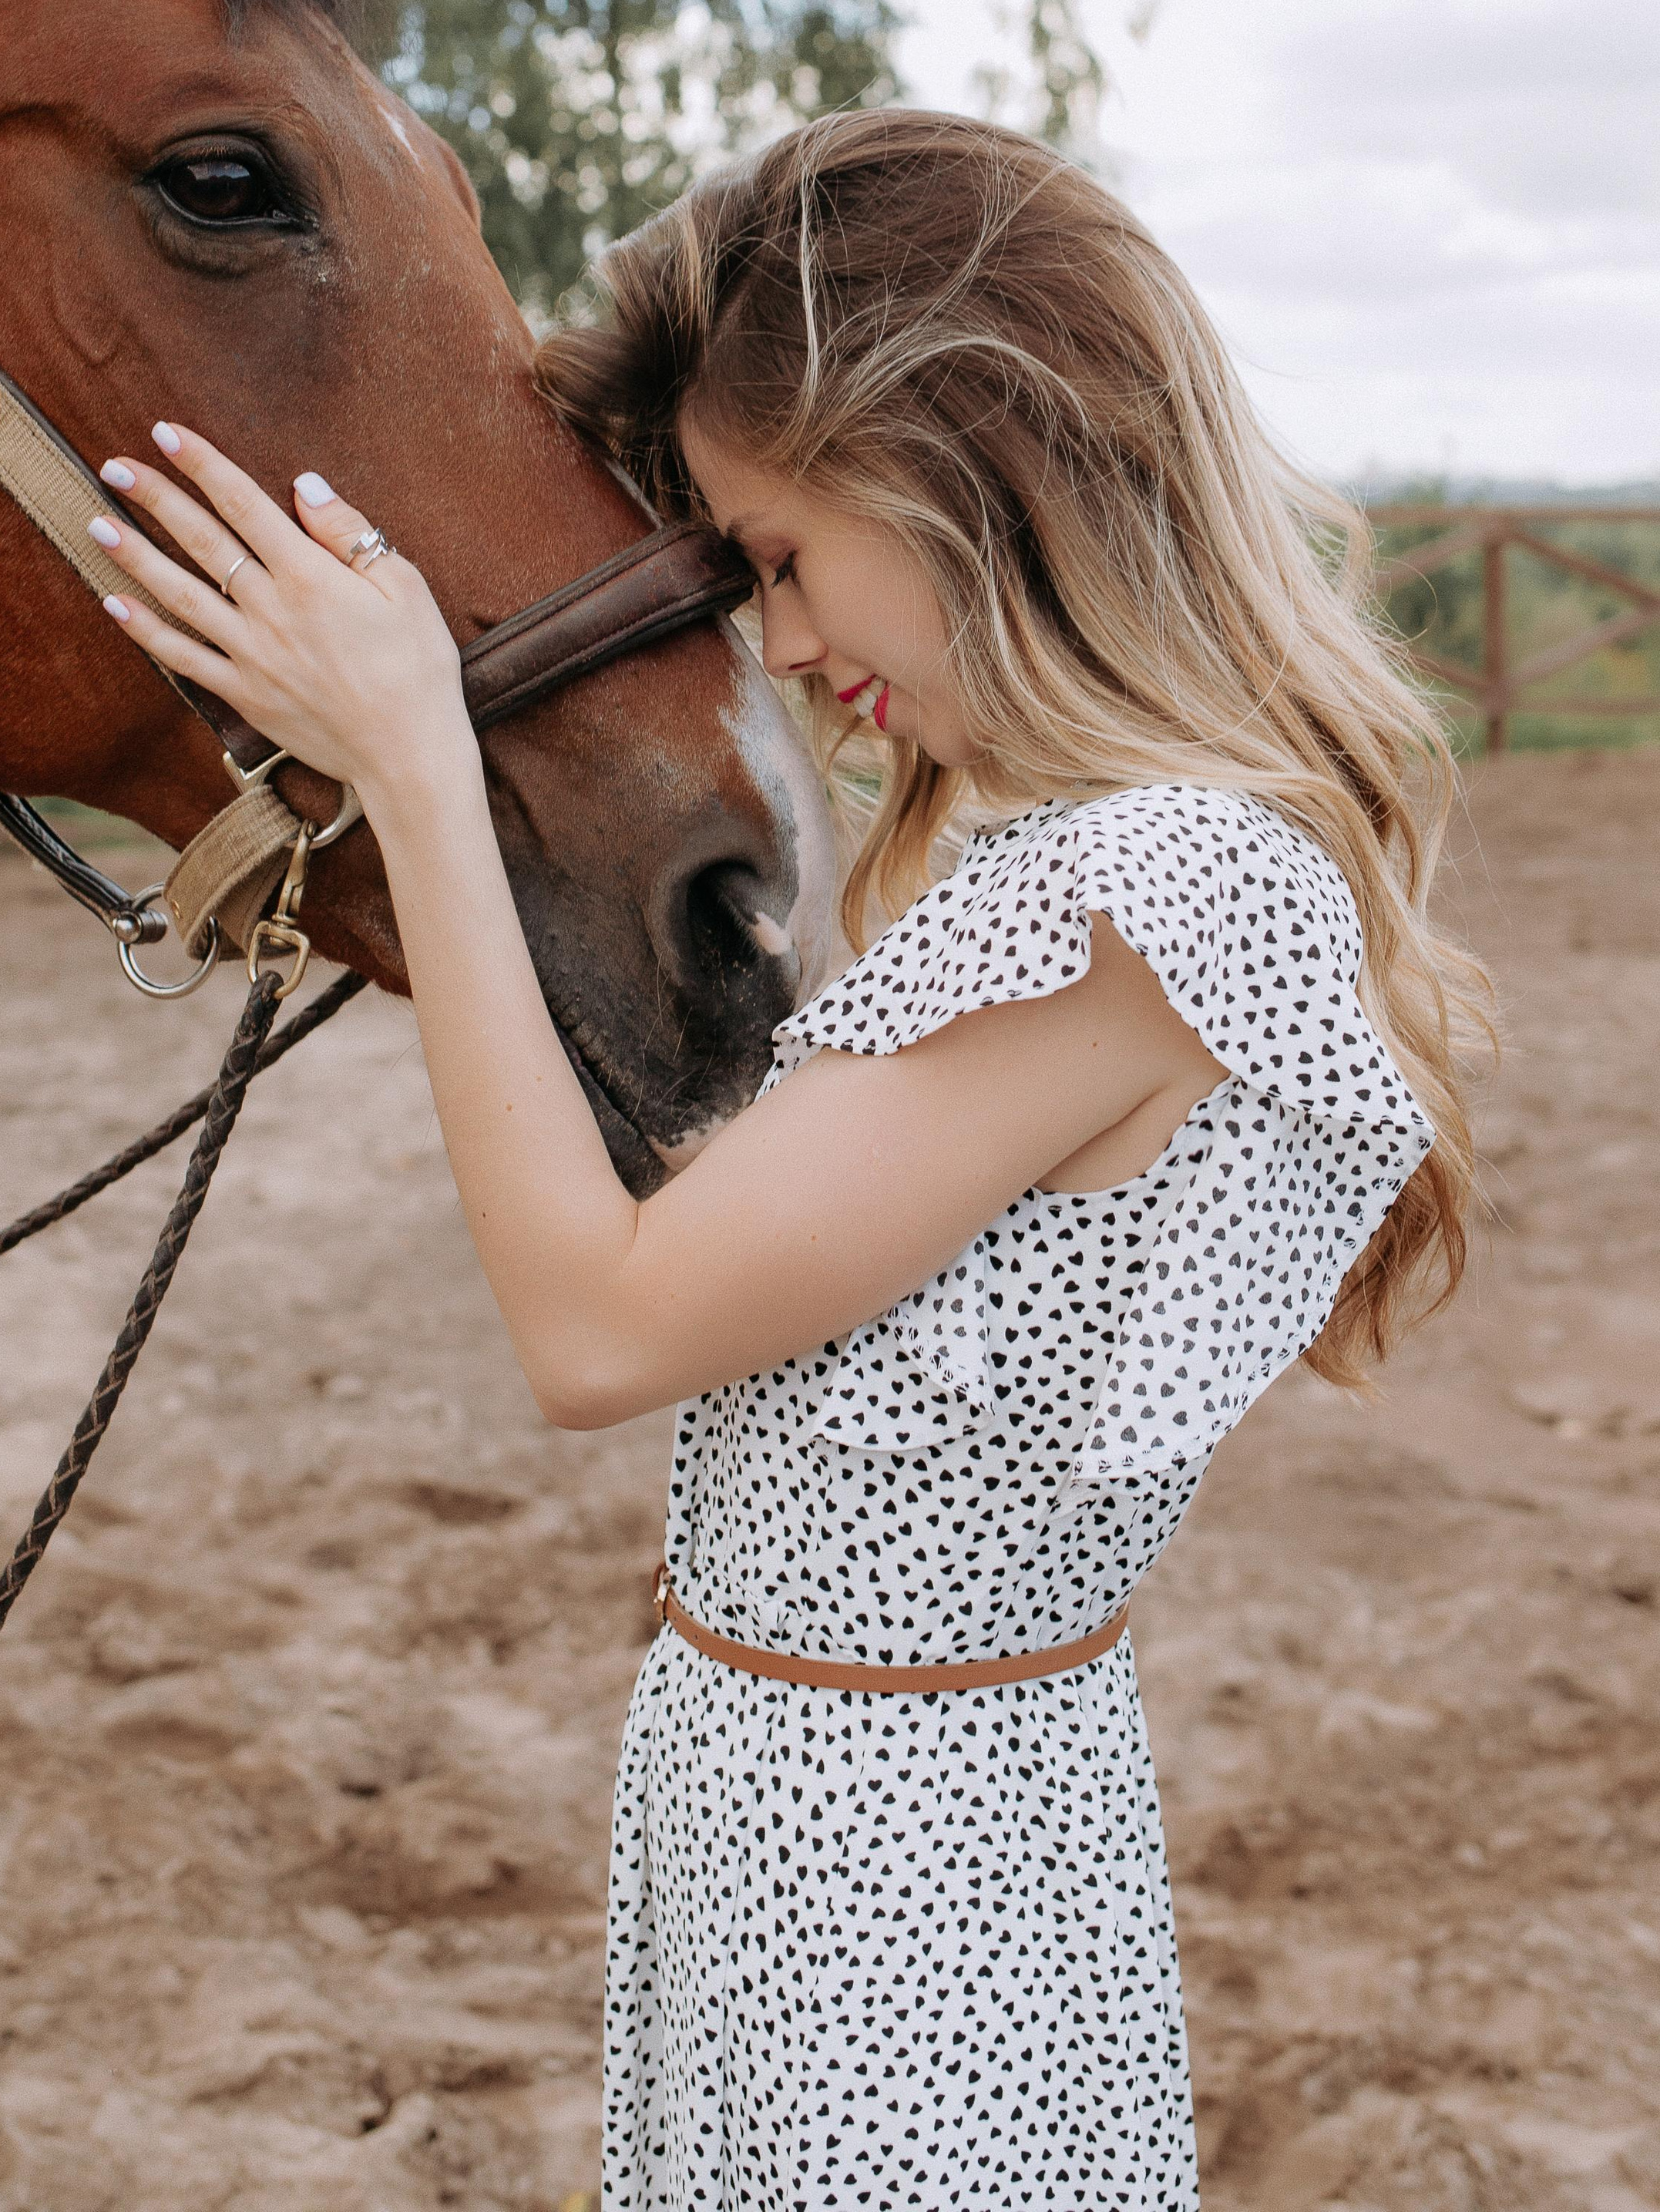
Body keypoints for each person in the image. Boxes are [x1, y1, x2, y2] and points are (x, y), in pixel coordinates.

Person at [79, 110, 1484, 2210]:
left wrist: (421, 767)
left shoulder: (1149, 894)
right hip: (838, 1824)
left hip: (890, 1895)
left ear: (964, 452)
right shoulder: (1121, 880)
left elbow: (598, 1320)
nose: (784, 643)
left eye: (780, 556)